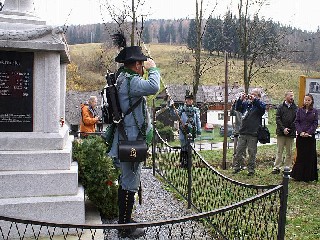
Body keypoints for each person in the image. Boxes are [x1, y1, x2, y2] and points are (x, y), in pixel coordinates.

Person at [108, 45, 160, 238]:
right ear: (137, 65)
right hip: (131, 139)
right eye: (142, 63)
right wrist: (153, 69)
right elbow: (154, 87)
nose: (143, 66)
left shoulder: (124, 79)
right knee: (130, 181)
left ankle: (126, 220)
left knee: (126, 180)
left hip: (127, 137)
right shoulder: (132, 82)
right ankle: (124, 227)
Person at [232, 88, 266, 176]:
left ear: (258, 96)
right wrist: (240, 99)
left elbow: (262, 108)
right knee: (239, 151)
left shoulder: (260, 105)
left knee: (252, 153)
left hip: (253, 133)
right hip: (243, 132)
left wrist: (254, 100)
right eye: (251, 94)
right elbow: (238, 108)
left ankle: (251, 169)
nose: (251, 96)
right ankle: (237, 167)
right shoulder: (247, 104)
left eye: (254, 94)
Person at [291, 93, 318, 182]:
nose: (307, 102)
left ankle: (308, 176)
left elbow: (315, 123)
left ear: (311, 101)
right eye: (305, 100)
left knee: (309, 156)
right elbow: (296, 122)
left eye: (308, 100)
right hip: (301, 136)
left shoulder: (314, 111)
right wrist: (300, 132)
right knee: (301, 156)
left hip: (310, 137)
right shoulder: (300, 110)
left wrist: (308, 132)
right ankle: (298, 176)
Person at [171, 90, 201, 167]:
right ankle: (183, 163)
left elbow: (198, 120)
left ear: (192, 101)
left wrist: (198, 130)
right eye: (188, 100)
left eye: (191, 100)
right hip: (183, 130)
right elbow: (174, 114)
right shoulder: (181, 109)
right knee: (183, 147)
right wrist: (171, 106)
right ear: (185, 100)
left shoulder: (195, 110)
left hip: (192, 130)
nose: (189, 101)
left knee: (189, 147)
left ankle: (189, 163)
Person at [271, 90, 298, 174]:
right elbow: (278, 119)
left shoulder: (295, 107)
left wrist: (289, 129)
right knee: (279, 151)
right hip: (281, 132)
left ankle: (287, 167)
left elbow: (296, 119)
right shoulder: (280, 107)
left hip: (291, 132)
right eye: (290, 95)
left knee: (289, 152)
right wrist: (283, 129)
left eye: (293, 95)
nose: (292, 97)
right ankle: (276, 167)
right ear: (286, 96)